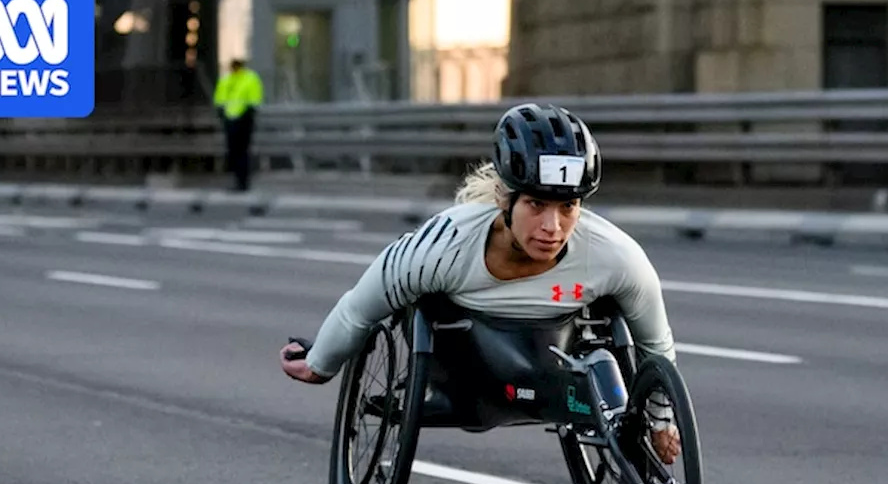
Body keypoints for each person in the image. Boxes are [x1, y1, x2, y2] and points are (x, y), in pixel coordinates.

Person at [278, 103, 682, 464]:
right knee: (415, 305)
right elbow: (361, 306)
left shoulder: (615, 255)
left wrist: (661, 421)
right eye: (536, 204)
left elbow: (655, 347)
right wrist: (321, 364)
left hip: (555, 357)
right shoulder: (443, 245)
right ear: (505, 198)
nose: (552, 227)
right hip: (462, 366)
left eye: (568, 206)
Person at [213, 59, 264, 192]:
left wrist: (248, 113)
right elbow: (220, 99)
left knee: (242, 152)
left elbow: (254, 99)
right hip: (232, 120)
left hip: (243, 119)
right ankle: (239, 181)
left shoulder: (249, 78)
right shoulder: (228, 79)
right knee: (235, 152)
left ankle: (242, 182)